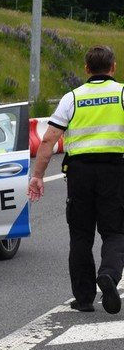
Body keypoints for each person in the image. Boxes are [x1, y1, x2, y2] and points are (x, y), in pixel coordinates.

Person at [29, 45, 124, 314]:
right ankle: (108, 274)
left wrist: (37, 176)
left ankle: (83, 299)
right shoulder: (122, 93)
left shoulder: (72, 97)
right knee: (115, 231)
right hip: (115, 172)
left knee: (81, 235)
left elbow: (48, 140)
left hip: (79, 173)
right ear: (113, 67)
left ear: (86, 69)